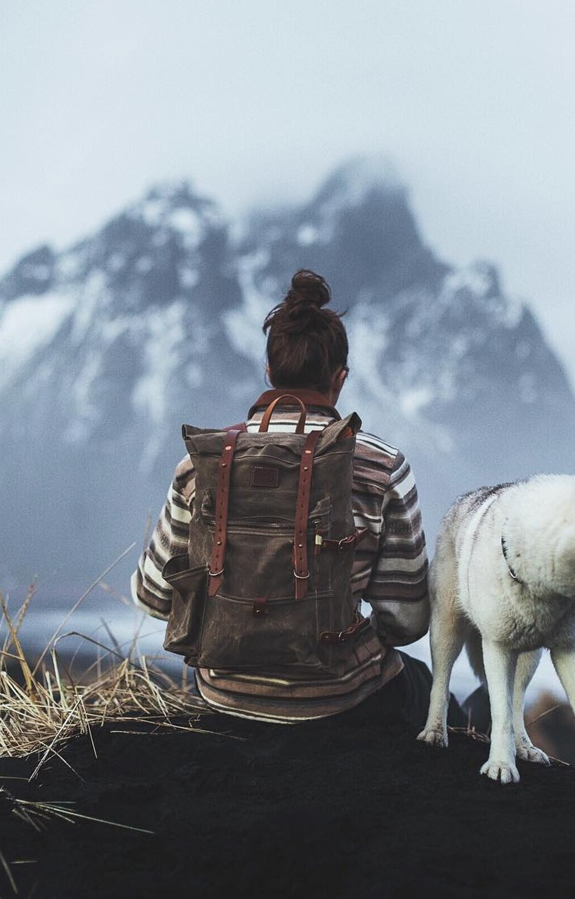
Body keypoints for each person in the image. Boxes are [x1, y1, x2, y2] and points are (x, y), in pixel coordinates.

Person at [132, 269, 433, 728]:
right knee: (422, 683)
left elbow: (153, 597)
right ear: (340, 378)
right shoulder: (382, 466)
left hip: (224, 699)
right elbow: (407, 621)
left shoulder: (201, 465)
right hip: (343, 703)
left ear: (270, 374)